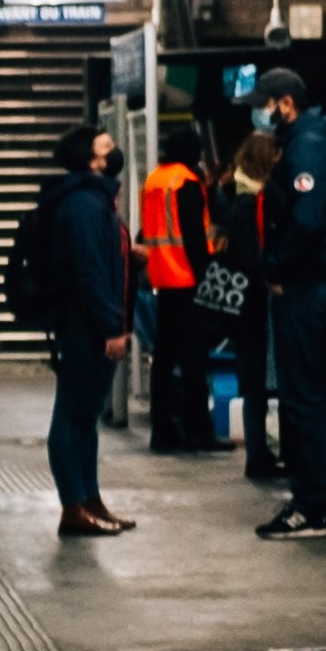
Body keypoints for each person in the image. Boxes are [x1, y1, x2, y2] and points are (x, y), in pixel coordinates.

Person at [248, 68, 326, 542]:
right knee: (318, 393)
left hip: (304, 287)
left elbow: (306, 222)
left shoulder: (308, 147)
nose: (263, 113)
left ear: (284, 103)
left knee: (303, 397)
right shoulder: (311, 140)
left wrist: (275, 266)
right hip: (312, 283)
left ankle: (312, 505)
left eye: (265, 104)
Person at [26, 127, 139, 539]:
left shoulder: (96, 200)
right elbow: (91, 271)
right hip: (84, 327)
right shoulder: (84, 205)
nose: (115, 152)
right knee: (72, 416)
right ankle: (73, 505)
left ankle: (90, 501)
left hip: (90, 323)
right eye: (107, 147)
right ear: (92, 161)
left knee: (86, 418)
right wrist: (112, 327)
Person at [136, 139, 215, 451]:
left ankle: (163, 429)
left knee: (164, 356)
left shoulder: (155, 179)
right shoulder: (186, 182)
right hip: (188, 279)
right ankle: (198, 429)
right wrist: (207, 277)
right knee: (194, 357)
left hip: (161, 278)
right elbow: (195, 237)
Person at [215, 125, 282, 489]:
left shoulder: (234, 193)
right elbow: (251, 256)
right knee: (257, 382)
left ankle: (261, 452)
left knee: (254, 380)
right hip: (254, 304)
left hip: (244, 305)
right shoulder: (249, 201)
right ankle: (259, 454)